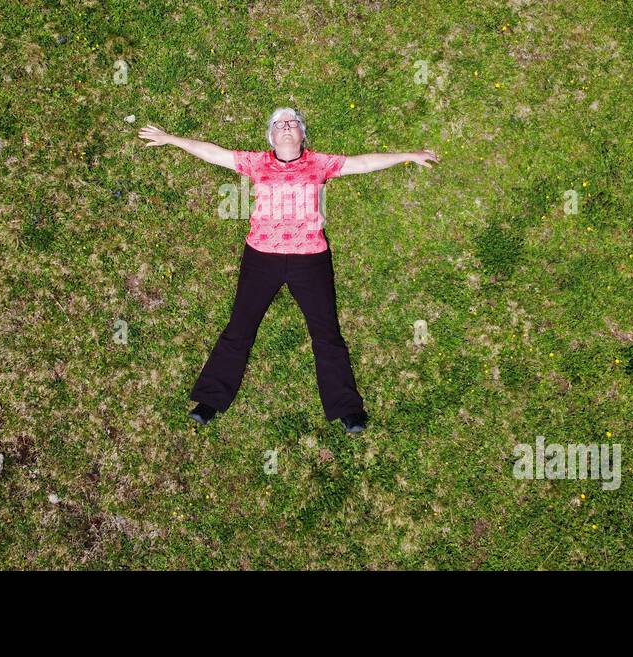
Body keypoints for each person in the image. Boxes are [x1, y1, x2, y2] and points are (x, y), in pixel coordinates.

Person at [137, 107, 439, 433]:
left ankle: (347, 409)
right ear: (271, 136)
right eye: (279, 123)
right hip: (261, 257)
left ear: (301, 134)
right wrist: (169, 139)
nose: (286, 126)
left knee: (326, 334)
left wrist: (409, 154)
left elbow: (363, 163)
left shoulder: (319, 163)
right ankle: (209, 400)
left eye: (292, 122)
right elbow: (213, 154)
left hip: (310, 259)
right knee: (239, 329)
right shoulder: (257, 163)